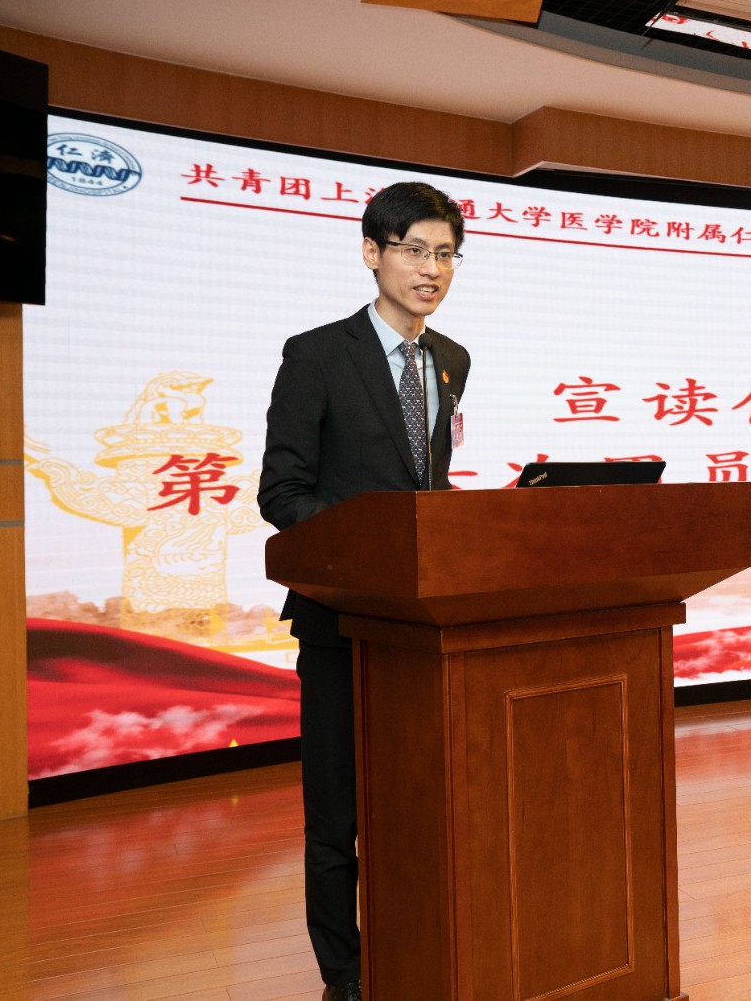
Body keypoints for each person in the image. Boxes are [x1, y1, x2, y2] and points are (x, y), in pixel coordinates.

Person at [258, 181, 471, 1001]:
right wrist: (370, 550)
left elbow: (427, 486)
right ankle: (343, 979)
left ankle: (415, 952)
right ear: (372, 253)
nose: (431, 269)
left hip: (421, 626)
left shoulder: (451, 358)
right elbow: (282, 492)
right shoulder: (316, 355)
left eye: (445, 253)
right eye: (414, 250)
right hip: (340, 619)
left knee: (415, 803)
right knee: (336, 816)